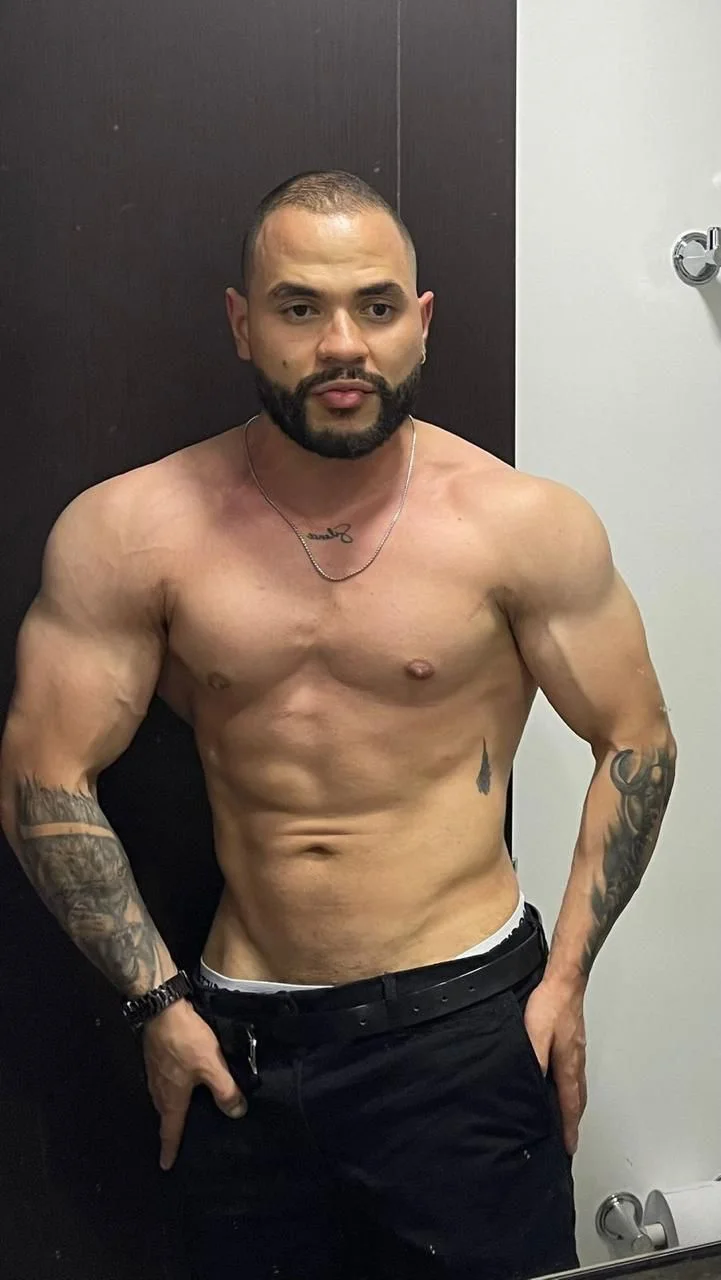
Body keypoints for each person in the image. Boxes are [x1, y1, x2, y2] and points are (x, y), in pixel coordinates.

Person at [0, 170, 676, 1280]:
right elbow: (44, 773)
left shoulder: (521, 525)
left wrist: (564, 981)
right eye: (299, 307)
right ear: (242, 323)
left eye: (374, 305)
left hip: (463, 1029)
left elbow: (636, 739)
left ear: (421, 322)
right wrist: (156, 1002)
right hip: (238, 1044)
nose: (341, 344)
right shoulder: (134, 531)